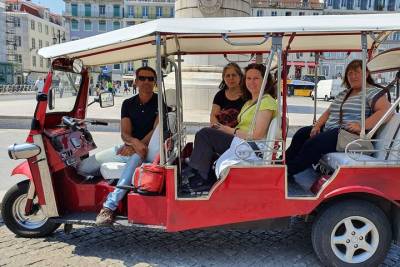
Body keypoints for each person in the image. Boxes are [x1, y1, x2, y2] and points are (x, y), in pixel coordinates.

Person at [77, 67, 159, 225]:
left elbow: (156, 131)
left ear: (155, 83)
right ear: (136, 81)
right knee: (83, 168)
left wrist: (137, 147)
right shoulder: (128, 104)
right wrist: (134, 143)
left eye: (150, 79)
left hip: (145, 151)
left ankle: (109, 206)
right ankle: (112, 182)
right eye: (142, 78)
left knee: (136, 157)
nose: (146, 82)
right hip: (129, 147)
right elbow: (125, 134)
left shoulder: (160, 103)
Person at [286, 59, 391, 181]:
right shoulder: (345, 93)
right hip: (331, 131)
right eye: (350, 73)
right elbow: (329, 111)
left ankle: (289, 171)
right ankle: (283, 165)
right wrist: (317, 126)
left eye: (357, 72)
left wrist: (362, 125)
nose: (353, 76)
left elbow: (386, 111)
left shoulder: (372, 92)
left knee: (313, 143)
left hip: (348, 135)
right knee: (301, 134)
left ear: (366, 74)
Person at [182, 63, 278, 192]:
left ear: (265, 81)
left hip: (250, 146)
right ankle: (201, 174)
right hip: (242, 140)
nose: (251, 82)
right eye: (248, 78)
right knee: (208, 134)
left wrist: (229, 130)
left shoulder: (267, 101)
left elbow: (258, 134)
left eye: (256, 78)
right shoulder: (250, 102)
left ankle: (200, 177)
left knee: (205, 134)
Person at [210, 63, 247, 127]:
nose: (231, 78)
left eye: (234, 75)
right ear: (224, 78)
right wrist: (220, 130)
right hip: (221, 131)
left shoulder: (247, 95)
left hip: (240, 133)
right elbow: (213, 116)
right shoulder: (220, 95)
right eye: (228, 75)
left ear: (240, 77)